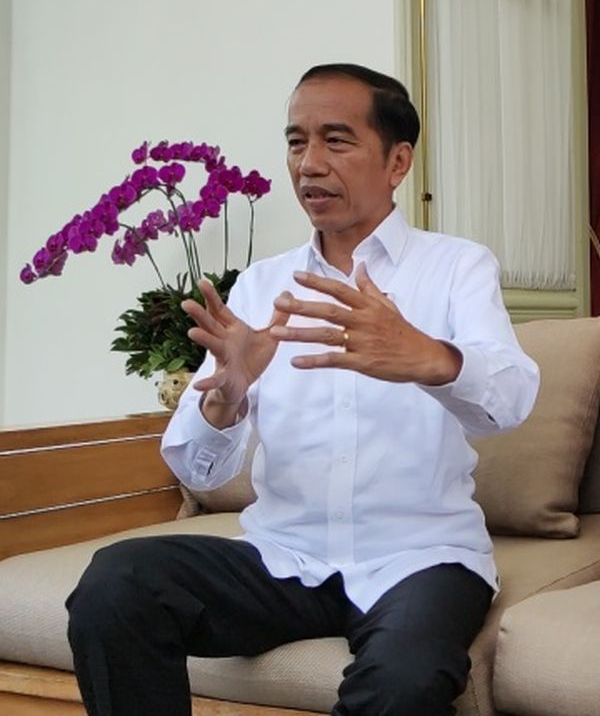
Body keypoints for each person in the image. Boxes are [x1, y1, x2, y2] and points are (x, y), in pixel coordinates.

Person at [66, 63, 540, 716]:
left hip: (420, 559)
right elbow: (194, 464)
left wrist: (425, 355)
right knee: (116, 584)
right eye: (296, 141)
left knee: (405, 680)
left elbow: (511, 402)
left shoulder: (457, 267)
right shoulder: (263, 286)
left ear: (397, 161)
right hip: (282, 558)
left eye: (336, 140)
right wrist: (225, 396)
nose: (309, 163)